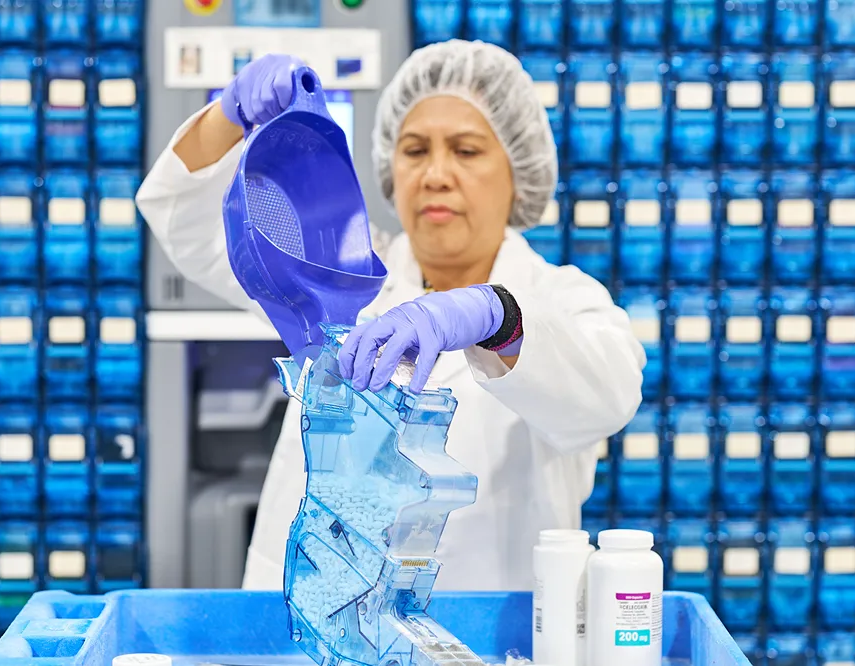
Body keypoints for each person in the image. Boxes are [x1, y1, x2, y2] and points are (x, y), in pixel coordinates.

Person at [135, 41, 646, 591]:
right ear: (389, 168)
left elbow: (609, 393)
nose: (436, 174)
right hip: (310, 625)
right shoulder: (337, 274)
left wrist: (494, 317)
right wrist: (230, 113)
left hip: (481, 633)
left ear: (519, 174)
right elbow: (189, 227)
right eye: (415, 150)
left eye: (467, 151)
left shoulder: (560, 297)